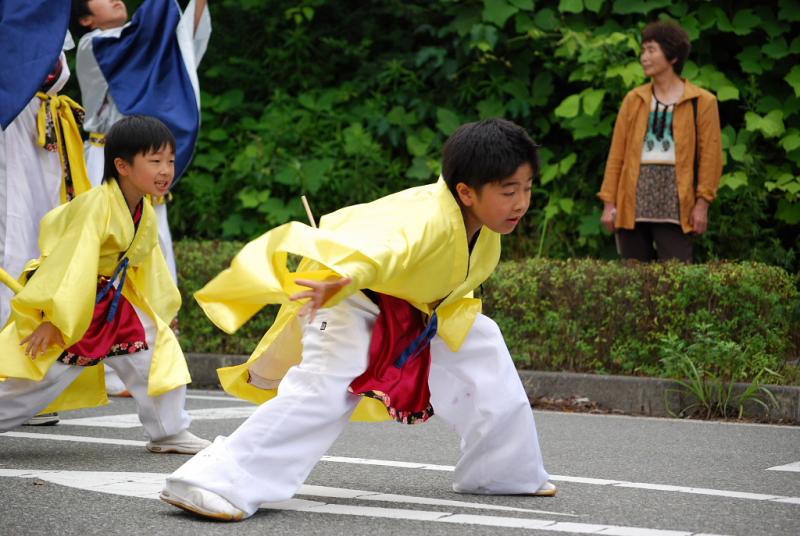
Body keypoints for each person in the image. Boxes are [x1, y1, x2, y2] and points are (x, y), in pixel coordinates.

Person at [160, 118, 556, 521]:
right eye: (509, 191)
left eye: (526, 188)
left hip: (413, 311)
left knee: (481, 342)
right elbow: (384, 253)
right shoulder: (428, 219)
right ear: (466, 192)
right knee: (325, 387)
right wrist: (346, 280)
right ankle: (213, 480)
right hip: (348, 296)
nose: (521, 203)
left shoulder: (484, 227)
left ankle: (502, 472)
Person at [0, 116, 210, 455]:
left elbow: (148, 270)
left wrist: (160, 311)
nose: (166, 170)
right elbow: (71, 264)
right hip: (75, 304)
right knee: (34, 386)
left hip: (107, 303)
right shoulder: (96, 205)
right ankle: (168, 431)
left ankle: (169, 431)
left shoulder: (144, 210)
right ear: (122, 166)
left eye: (170, 160)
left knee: (154, 348)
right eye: (155, 160)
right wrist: (54, 320)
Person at [72, 0, 211, 394]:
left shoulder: (142, 42)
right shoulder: (96, 45)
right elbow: (153, 37)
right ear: (85, 20)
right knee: (109, 258)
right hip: (107, 161)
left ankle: (149, 360)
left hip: (143, 168)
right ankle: (106, 365)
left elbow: (181, 50)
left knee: (153, 256)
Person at [0, 2, 92, 425]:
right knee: (13, 244)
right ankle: (10, 372)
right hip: (11, 127)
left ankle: (31, 374)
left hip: (46, 132)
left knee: (48, 244)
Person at [598, 20, 722, 262]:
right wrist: (608, 203)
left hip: (675, 199)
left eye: (651, 50)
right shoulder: (634, 100)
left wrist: (702, 205)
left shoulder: (702, 102)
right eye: (643, 50)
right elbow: (617, 155)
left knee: (676, 280)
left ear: (673, 56)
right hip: (633, 198)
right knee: (633, 281)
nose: (644, 57)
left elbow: (711, 158)